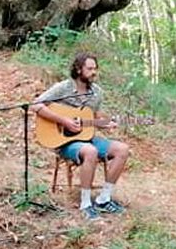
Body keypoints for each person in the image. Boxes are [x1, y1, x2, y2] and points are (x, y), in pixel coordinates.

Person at [31, 52, 132, 221]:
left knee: (123, 149)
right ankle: (86, 204)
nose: (94, 72)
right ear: (78, 70)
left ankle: (103, 199)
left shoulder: (97, 93)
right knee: (90, 151)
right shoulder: (63, 87)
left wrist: (106, 124)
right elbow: (36, 105)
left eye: (95, 69)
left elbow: (94, 118)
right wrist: (64, 120)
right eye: (90, 68)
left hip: (88, 137)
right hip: (65, 141)